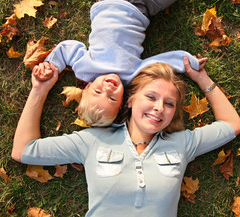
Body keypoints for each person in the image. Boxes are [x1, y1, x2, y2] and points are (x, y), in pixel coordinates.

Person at [11, 55, 240, 217]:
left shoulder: (181, 144)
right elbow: (24, 150)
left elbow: (232, 125)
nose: (159, 108)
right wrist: (40, 89)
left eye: (169, 103)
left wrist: (202, 78)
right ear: (131, 100)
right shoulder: (92, 141)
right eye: (151, 97)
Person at [35, 0, 206, 126]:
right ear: (123, 101)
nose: (108, 88)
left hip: (107, 4)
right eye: (111, 98)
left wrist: (51, 66)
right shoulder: (132, 75)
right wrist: (188, 62)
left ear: (87, 87)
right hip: (139, 8)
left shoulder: (84, 69)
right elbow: (159, 63)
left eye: (97, 91)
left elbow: (66, 50)